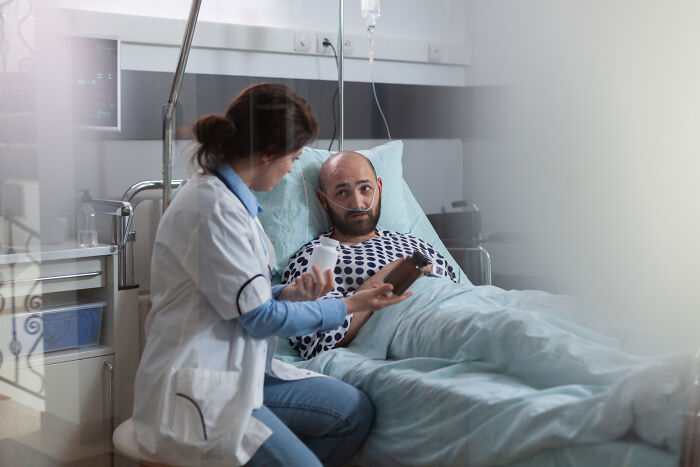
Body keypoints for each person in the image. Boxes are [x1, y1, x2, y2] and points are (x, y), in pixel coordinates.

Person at [132, 84, 411, 467]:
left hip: (243, 369)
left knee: (352, 412)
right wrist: (353, 303)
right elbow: (259, 318)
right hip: (202, 388)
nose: (291, 169)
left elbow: (237, 294)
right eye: (293, 158)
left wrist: (289, 293)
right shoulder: (213, 209)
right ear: (266, 154)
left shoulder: (234, 202)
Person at [283, 151, 458, 359]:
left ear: (380, 189)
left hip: (458, 312)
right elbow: (315, 343)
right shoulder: (315, 257)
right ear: (323, 200)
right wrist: (391, 275)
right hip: (416, 332)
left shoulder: (415, 243)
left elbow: (458, 290)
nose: (357, 202)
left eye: (365, 188)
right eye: (342, 193)